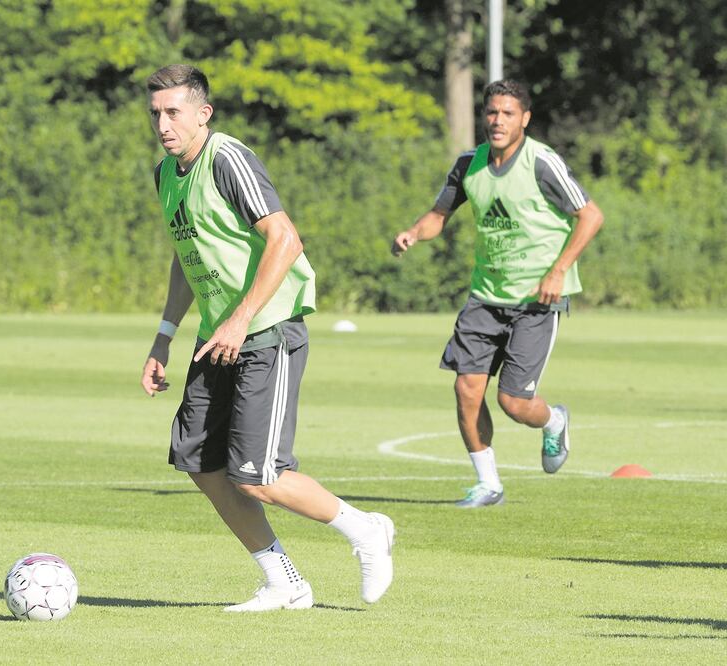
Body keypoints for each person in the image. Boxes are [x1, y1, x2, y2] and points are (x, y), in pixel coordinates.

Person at [140, 64, 394, 611]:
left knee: (258, 476)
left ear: (202, 114)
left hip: (268, 330)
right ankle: (284, 582)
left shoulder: (226, 157)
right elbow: (188, 257)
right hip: (218, 337)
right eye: (156, 113)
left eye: (173, 112)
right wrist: (164, 336)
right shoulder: (166, 173)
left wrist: (240, 317)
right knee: (199, 462)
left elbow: (285, 237)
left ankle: (366, 529)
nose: (163, 123)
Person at [391, 80, 604, 508]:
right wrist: (415, 232)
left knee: (513, 402)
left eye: (507, 113)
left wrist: (558, 271)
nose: (497, 120)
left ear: (525, 119)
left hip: (535, 301)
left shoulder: (542, 163)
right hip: (485, 296)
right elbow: (439, 215)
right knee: (467, 390)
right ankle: (488, 484)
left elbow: (590, 216)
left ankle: (554, 420)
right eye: (491, 112)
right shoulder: (470, 163)